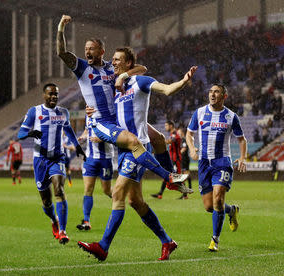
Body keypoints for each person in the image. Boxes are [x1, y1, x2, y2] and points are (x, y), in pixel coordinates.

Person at [77, 47, 196, 261]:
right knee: (136, 201)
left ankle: (103, 247)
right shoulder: (115, 88)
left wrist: (184, 81)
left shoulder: (140, 82)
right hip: (123, 150)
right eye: (112, 59)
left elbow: (167, 89)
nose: (112, 62)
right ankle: (167, 241)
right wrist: (91, 111)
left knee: (118, 193)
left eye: (117, 60)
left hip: (138, 148)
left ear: (128, 63)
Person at [56, 14, 188, 192]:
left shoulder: (112, 67)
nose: (87, 52)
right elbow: (62, 53)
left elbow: (142, 69)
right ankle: (168, 177)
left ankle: (172, 178)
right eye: (86, 49)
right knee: (134, 143)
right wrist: (61, 28)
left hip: (119, 116)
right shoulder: (82, 68)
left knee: (158, 138)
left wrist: (124, 75)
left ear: (102, 51)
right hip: (104, 121)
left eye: (92, 49)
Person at [17, 83, 86, 244]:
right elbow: (21, 133)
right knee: (46, 201)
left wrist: (77, 148)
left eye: (56, 94)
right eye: (51, 94)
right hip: (40, 160)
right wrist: (30, 133)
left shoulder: (63, 113)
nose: (54, 96)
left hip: (58, 158)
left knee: (59, 190)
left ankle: (62, 231)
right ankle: (54, 219)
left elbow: (68, 131)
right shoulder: (35, 111)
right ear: (44, 95)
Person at [186, 84, 247, 252]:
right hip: (204, 163)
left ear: (224, 96)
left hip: (222, 162)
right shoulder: (199, 112)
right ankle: (231, 210)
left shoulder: (230, 116)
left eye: (217, 92)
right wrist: (191, 148)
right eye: (211, 91)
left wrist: (242, 157)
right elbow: (189, 133)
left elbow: (241, 139)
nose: (212, 94)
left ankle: (215, 240)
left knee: (218, 198)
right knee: (209, 206)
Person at [76, 116, 114, 231]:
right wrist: (82, 137)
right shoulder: (89, 115)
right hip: (90, 158)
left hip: (105, 158)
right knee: (88, 188)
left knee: (106, 190)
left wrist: (101, 139)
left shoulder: (108, 113)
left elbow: (116, 134)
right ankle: (86, 221)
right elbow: (87, 130)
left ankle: (120, 201)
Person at [151, 121, 181, 199]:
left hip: (176, 159)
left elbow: (171, 140)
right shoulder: (172, 134)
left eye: (166, 125)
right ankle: (160, 193)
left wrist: (159, 142)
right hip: (172, 158)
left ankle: (185, 194)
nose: (165, 127)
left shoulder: (174, 134)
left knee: (176, 175)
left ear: (171, 126)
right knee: (169, 175)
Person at [177, 127, 192, 199]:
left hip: (184, 159)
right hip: (183, 159)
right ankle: (186, 192)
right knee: (185, 175)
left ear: (182, 132)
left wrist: (178, 154)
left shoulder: (184, 139)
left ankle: (186, 193)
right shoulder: (181, 139)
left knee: (184, 175)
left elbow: (184, 148)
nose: (178, 133)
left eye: (179, 131)